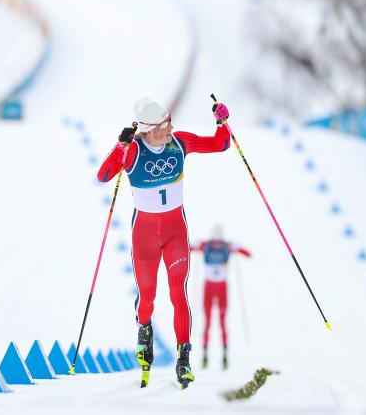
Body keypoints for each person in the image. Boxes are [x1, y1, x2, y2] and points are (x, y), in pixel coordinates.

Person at [96, 97, 231, 389]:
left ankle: (184, 358)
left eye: (169, 120)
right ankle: (144, 328)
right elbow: (104, 175)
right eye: (163, 125)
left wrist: (222, 122)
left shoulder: (179, 143)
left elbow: (220, 145)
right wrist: (119, 147)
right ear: (146, 129)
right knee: (147, 298)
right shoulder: (133, 152)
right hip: (144, 236)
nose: (170, 127)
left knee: (178, 294)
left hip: (175, 234)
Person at [191, 225, 251, 369]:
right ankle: (212, 355)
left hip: (216, 288)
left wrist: (239, 248)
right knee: (213, 323)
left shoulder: (211, 245)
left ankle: (219, 355)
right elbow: (246, 253)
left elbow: (247, 253)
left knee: (216, 323)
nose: (217, 244)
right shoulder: (223, 245)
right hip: (214, 288)